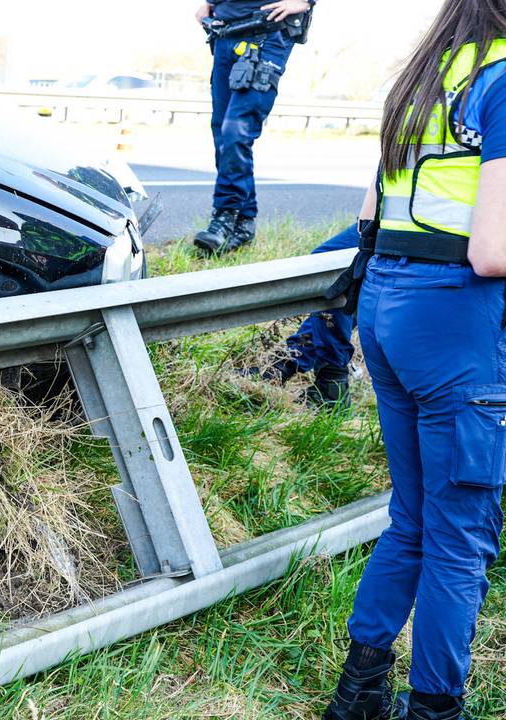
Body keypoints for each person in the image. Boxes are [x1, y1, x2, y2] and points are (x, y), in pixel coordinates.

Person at [323, 2, 506, 718]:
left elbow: (370, 211)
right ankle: (434, 710)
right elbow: (492, 250)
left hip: (388, 304)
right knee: (461, 540)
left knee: (413, 519)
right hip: (457, 319)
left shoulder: (427, 76)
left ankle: (358, 692)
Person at [193, 0, 315, 255]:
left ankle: (224, 217)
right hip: (224, 33)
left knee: (236, 128)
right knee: (222, 133)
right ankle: (244, 223)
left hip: (267, 33)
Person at [260, 223, 359, 407]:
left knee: (327, 269)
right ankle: (290, 364)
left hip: (403, 221)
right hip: (401, 217)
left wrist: (366, 224)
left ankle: (331, 384)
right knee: (345, 277)